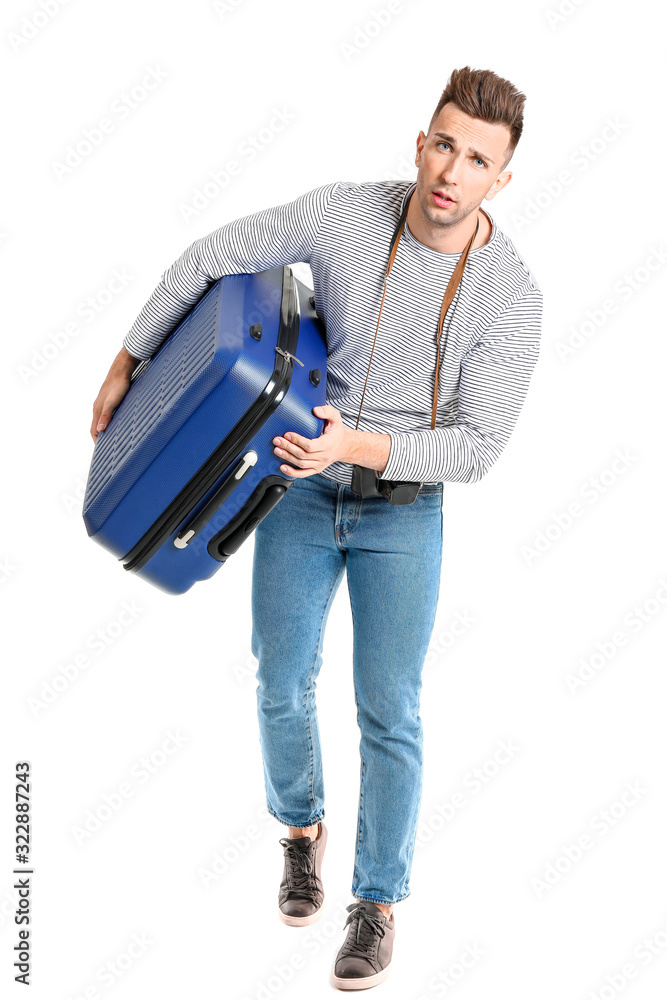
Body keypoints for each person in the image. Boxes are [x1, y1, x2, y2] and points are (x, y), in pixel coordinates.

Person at [90, 65, 543, 990]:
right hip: (295, 495)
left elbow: (476, 448)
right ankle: (301, 832)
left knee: (391, 711)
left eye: (478, 159)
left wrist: (356, 443)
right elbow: (208, 255)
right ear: (421, 141)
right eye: (444, 143)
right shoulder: (342, 213)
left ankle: (374, 904)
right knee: (279, 683)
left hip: (402, 513)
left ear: (501, 179)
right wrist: (126, 359)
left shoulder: (512, 296)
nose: (452, 171)